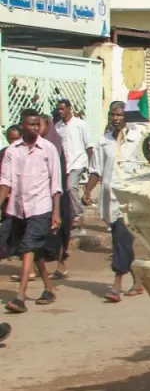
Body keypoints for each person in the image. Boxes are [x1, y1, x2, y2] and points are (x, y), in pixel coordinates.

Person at [0, 109, 63, 313]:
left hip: (41, 207)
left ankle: (20, 297)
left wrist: (56, 213)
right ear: (23, 125)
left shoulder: (48, 149)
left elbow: (56, 184)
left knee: (28, 248)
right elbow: (6, 182)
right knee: (34, 252)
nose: (35, 128)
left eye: (38, 124)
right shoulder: (12, 151)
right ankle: (49, 288)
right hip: (18, 208)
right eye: (31, 124)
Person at [84, 102, 145, 302]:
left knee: (121, 239)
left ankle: (116, 285)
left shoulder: (138, 139)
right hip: (110, 199)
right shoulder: (104, 141)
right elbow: (96, 170)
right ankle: (138, 282)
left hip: (131, 200)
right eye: (113, 115)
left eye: (119, 115)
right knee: (122, 241)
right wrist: (87, 190)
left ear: (126, 116)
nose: (116, 118)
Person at [38, 115, 73, 281]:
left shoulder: (54, 145)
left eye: (40, 125)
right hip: (41, 193)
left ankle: (61, 265)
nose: (37, 128)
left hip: (57, 194)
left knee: (59, 230)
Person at [53, 99, 93, 223]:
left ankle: (78, 213)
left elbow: (89, 145)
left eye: (62, 109)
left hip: (78, 161)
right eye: (59, 109)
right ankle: (68, 213)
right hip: (65, 163)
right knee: (64, 190)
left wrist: (91, 166)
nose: (60, 111)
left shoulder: (81, 124)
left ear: (69, 109)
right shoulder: (58, 126)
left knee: (71, 187)